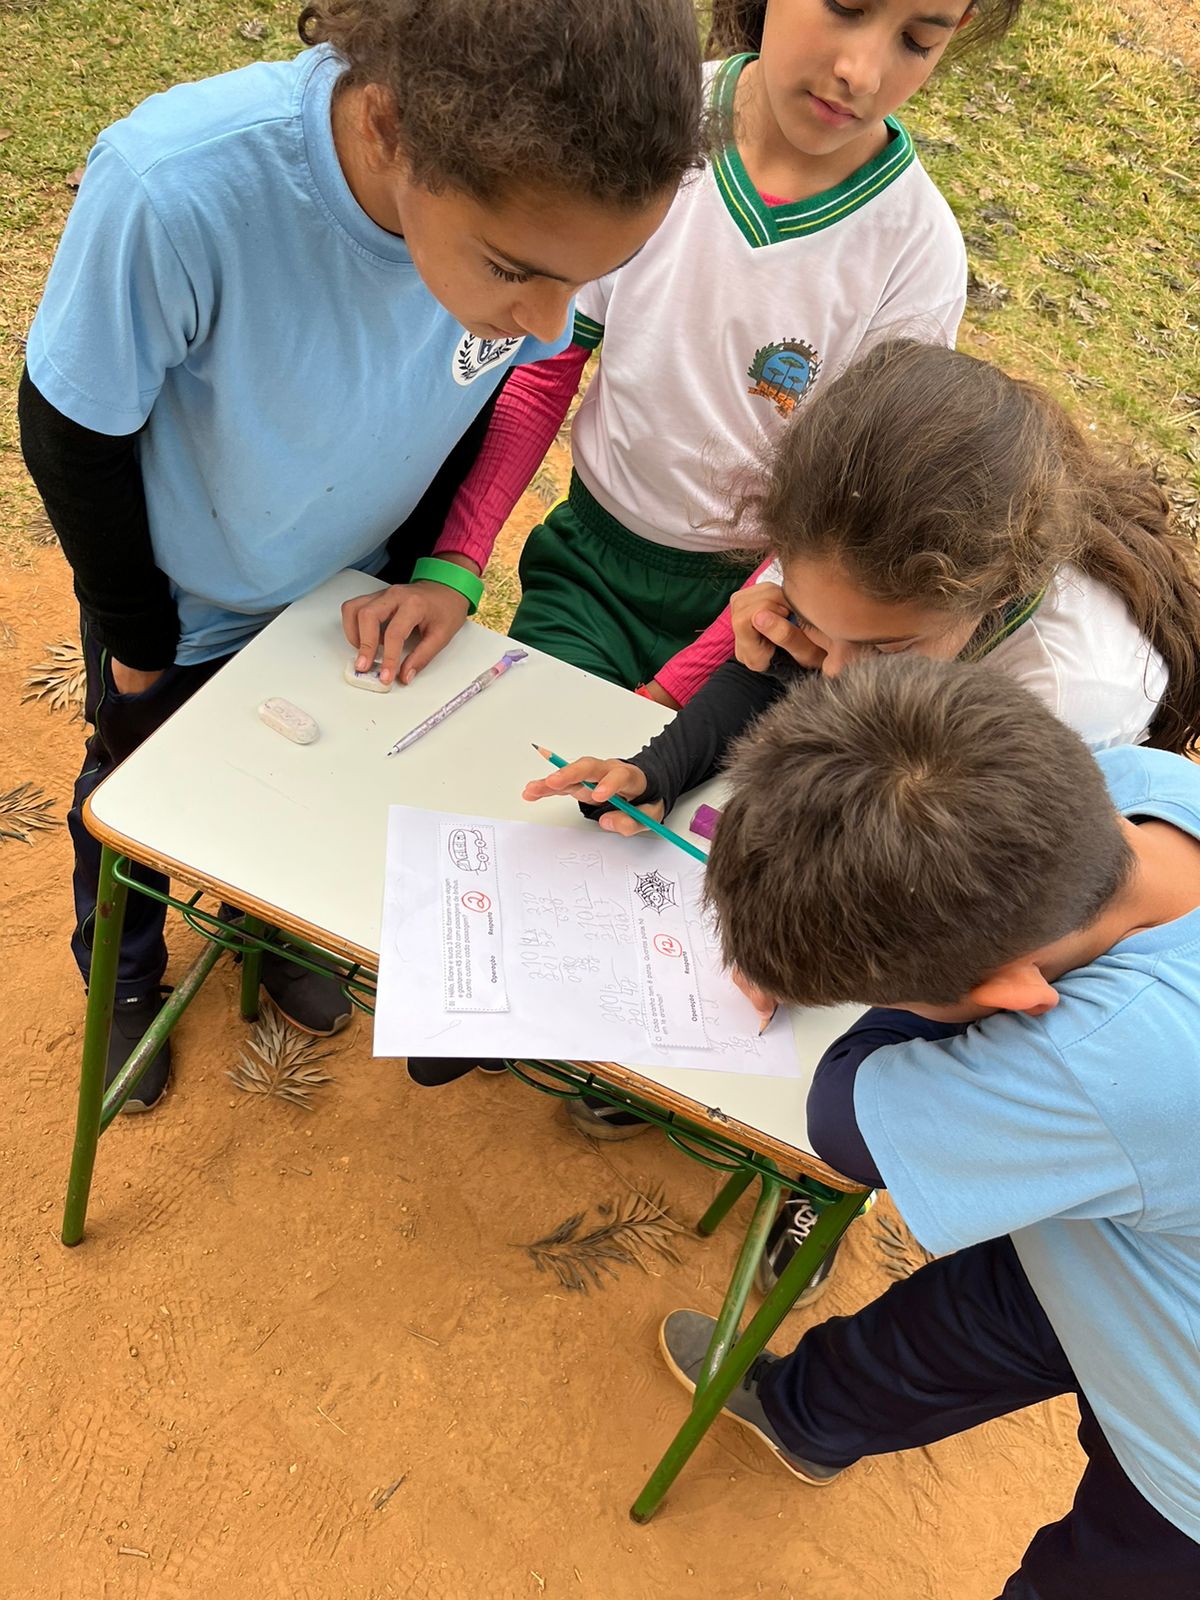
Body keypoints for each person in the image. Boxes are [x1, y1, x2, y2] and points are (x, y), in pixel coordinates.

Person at [18, 0, 704, 1110]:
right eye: (520, 273)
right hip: (182, 600)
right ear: (389, 126)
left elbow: (471, 392)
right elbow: (72, 431)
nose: (547, 329)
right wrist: (141, 649)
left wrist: (425, 565)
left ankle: (264, 919)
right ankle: (124, 970)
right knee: (132, 791)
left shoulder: (521, 243)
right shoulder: (177, 188)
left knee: (310, 784)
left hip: (349, 589)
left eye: (586, 283)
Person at [522, 337, 1200, 1283]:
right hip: (899, 851)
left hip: (1003, 929)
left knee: (859, 1085)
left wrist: (804, 956)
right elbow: (782, 664)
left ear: (989, 595)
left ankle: (823, 1189)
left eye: (877, 651)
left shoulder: (1075, 694)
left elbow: (982, 915)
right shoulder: (851, 564)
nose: (832, 668)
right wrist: (662, 767)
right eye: (810, 619)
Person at [662, 655, 1200, 1599]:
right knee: (967, 1319)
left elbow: (846, 1113)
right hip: (1135, 1232)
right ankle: (803, 1416)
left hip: (1183, 1460)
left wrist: (897, 1004)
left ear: (1009, 995)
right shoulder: (1153, 787)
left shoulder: (1100, 1061)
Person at [345, 0, 1026, 710]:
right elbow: (544, 371)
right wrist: (455, 564)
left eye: (917, 42)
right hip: (589, 574)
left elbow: (855, 510)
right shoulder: (647, 128)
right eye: (845, 8)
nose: (860, 71)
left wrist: (679, 692)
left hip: (771, 624)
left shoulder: (916, 252)